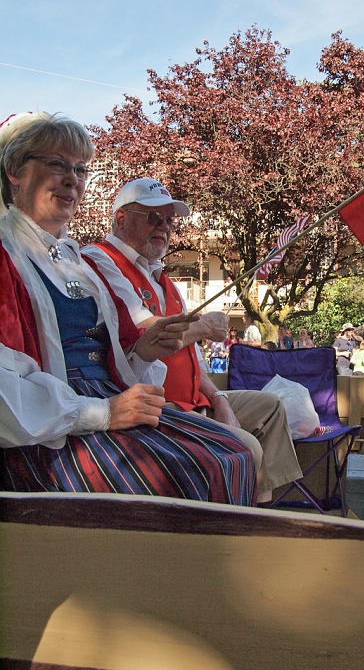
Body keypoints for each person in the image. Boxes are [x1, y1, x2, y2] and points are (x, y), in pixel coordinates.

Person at [0, 113, 257, 504]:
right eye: (56, 164)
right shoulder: (9, 256)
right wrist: (101, 413)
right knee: (195, 468)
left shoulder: (73, 261)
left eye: (80, 169)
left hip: (106, 401)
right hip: (47, 432)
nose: (72, 179)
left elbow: (111, 360)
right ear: (14, 172)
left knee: (234, 453)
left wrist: (142, 352)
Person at [82, 177, 302, 504]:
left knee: (271, 408)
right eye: (153, 217)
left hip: (195, 402)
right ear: (121, 219)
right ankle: (243, 524)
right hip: (155, 407)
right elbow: (145, 332)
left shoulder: (165, 282)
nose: (164, 227)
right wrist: (205, 327)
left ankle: (259, 510)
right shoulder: (100, 260)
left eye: (170, 220)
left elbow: (195, 360)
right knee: (248, 446)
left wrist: (220, 401)